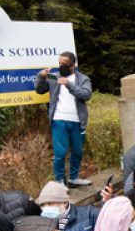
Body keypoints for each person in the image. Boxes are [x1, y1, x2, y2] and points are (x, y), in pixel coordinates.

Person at [35, 51, 93, 186]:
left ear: (73, 65)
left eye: (65, 64)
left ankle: (73, 177)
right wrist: (41, 76)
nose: (61, 66)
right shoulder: (54, 77)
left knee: (77, 152)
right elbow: (39, 89)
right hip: (59, 119)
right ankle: (60, 181)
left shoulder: (83, 79)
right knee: (60, 153)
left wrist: (69, 84)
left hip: (78, 121)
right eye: (60, 63)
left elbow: (86, 94)